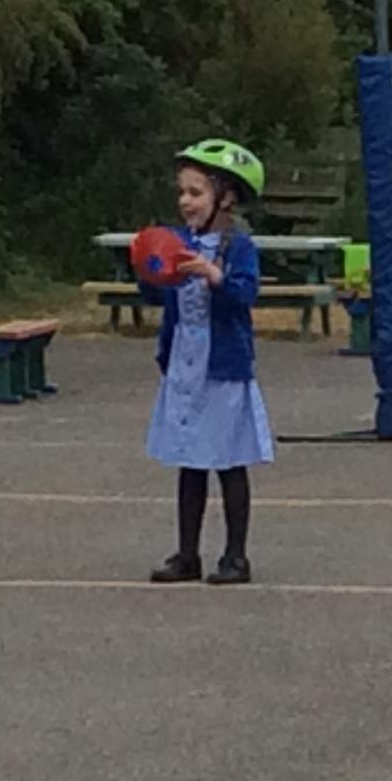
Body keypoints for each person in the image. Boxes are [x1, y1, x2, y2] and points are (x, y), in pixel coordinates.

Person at [146, 139, 272, 586]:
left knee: (228, 460)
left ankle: (236, 556)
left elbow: (244, 296)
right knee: (190, 459)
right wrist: (150, 268)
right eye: (182, 192)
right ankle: (187, 554)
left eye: (196, 192)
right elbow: (158, 293)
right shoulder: (180, 241)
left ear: (227, 198)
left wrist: (214, 275)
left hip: (222, 368)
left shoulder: (239, 246)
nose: (185, 201)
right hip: (185, 363)